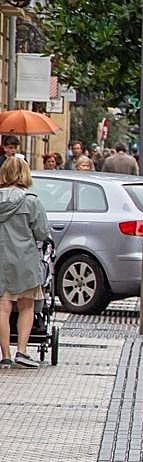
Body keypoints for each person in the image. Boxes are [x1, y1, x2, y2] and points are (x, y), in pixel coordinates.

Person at [0, 157, 49, 369]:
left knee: (2, 307)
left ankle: (5, 355)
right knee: (27, 305)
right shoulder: (31, 201)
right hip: (25, 260)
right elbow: (42, 232)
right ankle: (22, 350)